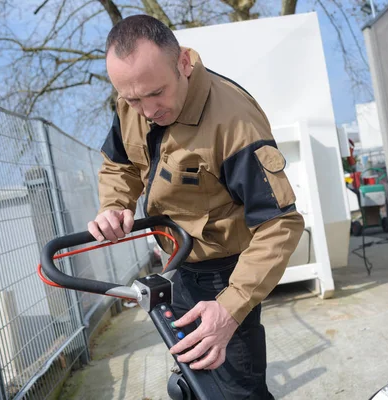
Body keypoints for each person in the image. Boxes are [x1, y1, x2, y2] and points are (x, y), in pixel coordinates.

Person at [88, 14, 304, 399]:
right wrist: (115, 204)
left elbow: (280, 224)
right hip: (179, 261)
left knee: (236, 391)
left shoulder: (234, 122)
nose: (147, 109)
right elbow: (120, 164)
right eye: (133, 99)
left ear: (184, 63)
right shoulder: (131, 104)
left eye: (156, 93)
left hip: (226, 273)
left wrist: (229, 309)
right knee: (195, 382)